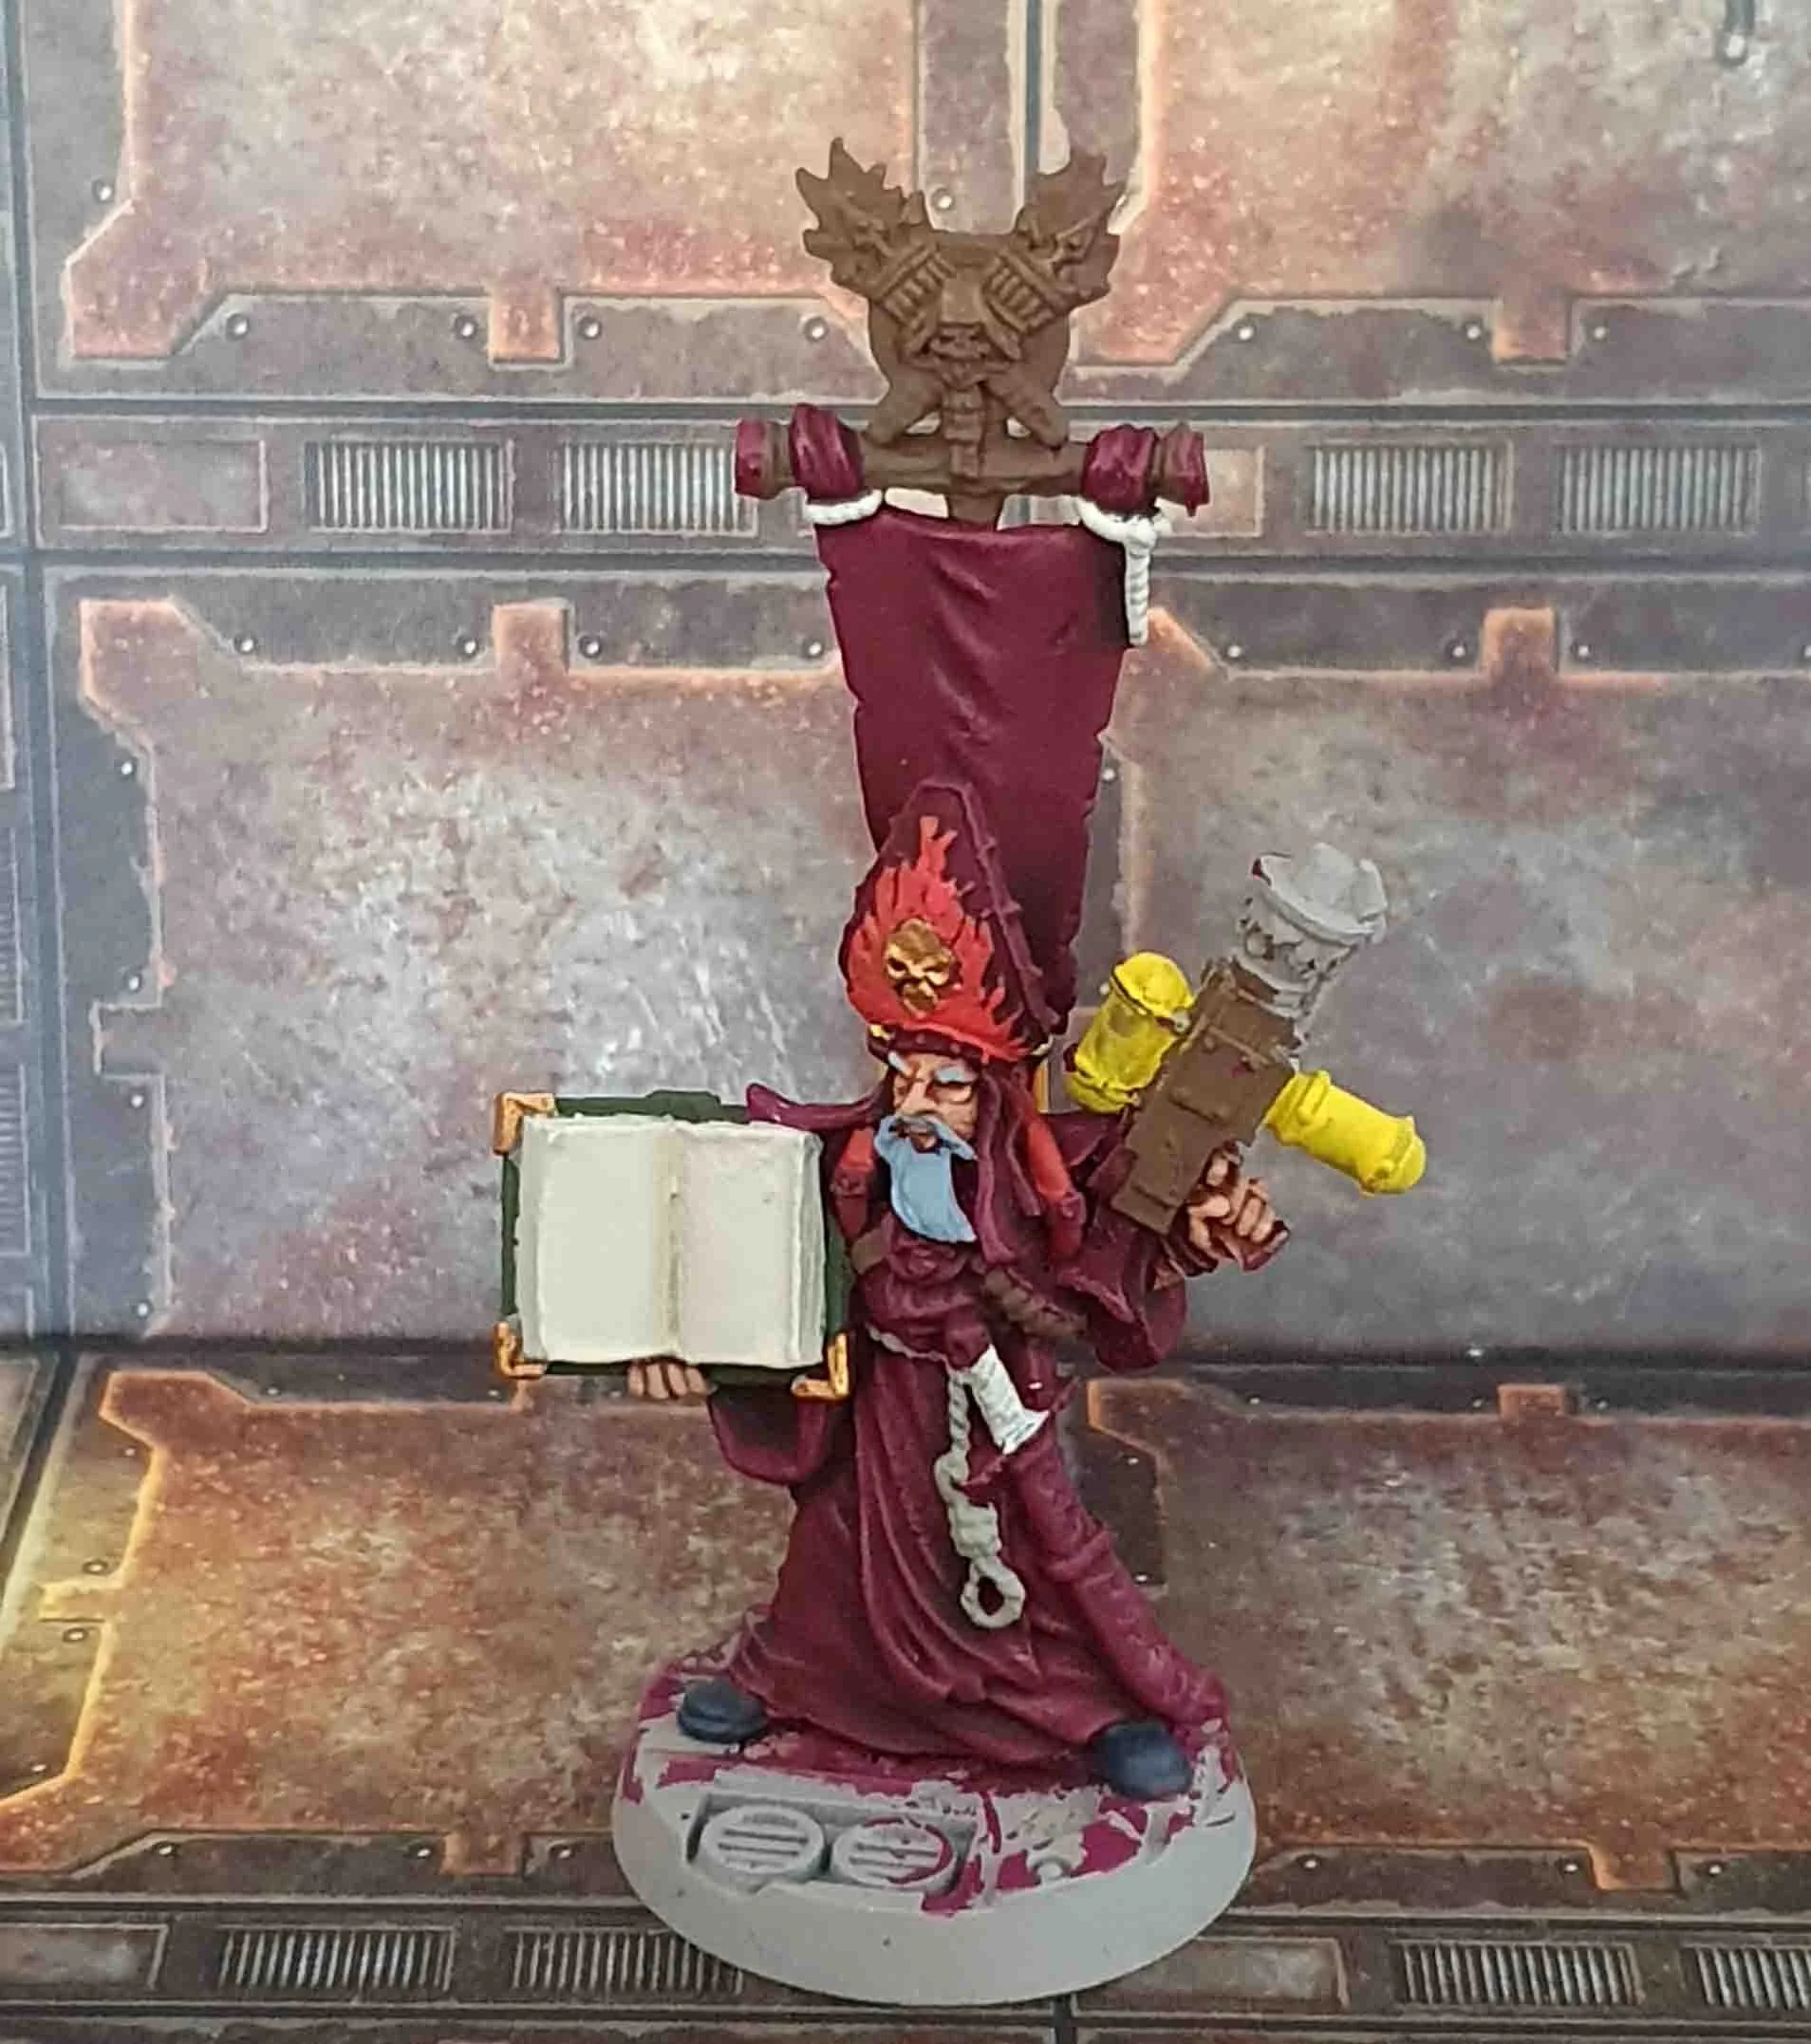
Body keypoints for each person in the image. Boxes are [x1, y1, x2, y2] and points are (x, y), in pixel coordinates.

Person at [627, 782, 1281, 1798]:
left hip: (997, 1412)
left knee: (1040, 1572)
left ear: (995, 1089)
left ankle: (1086, 1712)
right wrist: (678, 1337)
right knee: (836, 1560)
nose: (920, 1107)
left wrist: (1199, 1227)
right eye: (905, 1078)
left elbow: (1127, 1235)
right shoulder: (840, 1163)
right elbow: (738, 1254)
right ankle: (793, 1678)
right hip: (874, 1409)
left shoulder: (1044, 1174)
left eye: (949, 1085)